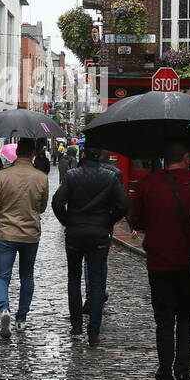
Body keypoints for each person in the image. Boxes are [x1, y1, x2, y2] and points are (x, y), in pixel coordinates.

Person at [128, 140, 190, 380]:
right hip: (189, 262)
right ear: (186, 157)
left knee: (164, 320)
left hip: (159, 263)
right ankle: (184, 367)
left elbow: (136, 220)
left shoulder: (149, 185)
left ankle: (165, 377)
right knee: (188, 316)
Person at [52, 147, 130, 345]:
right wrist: (107, 221)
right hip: (99, 235)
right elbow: (123, 205)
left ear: (83, 155)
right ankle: (93, 332)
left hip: (75, 234)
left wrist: (68, 222)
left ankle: (76, 324)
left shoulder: (72, 175)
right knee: (97, 282)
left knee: (74, 277)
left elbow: (57, 203)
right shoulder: (110, 177)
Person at [0, 138, 49, 338]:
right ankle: (21, 319)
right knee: (27, 276)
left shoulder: (2, 176)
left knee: (2, 276)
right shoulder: (41, 177)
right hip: (30, 234)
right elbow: (42, 207)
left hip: (6, 233)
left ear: (16, 153)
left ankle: (4, 310)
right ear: (33, 154)